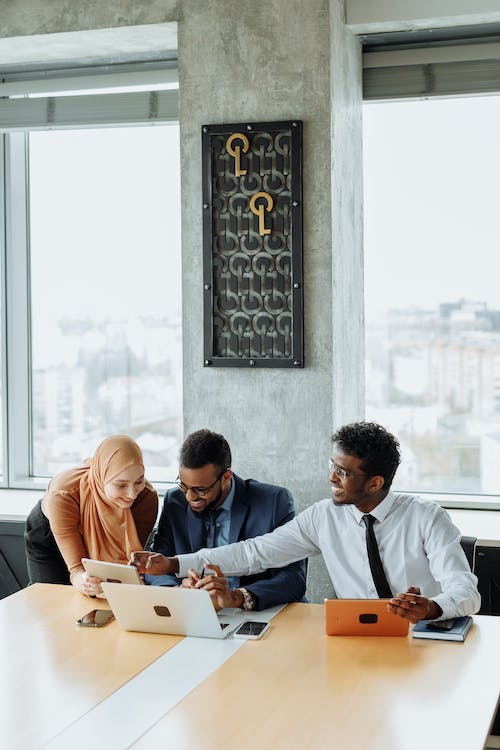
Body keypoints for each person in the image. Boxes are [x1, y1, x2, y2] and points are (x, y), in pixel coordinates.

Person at [132, 422, 480, 622]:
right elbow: (255, 553)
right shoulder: (323, 517)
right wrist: (175, 563)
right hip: (357, 637)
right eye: (332, 465)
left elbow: (467, 592)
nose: (331, 477)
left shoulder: (427, 518)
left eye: (342, 472)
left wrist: (432, 608)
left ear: (375, 483)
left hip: (427, 636)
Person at [145, 428, 307, 611]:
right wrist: (178, 590)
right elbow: (157, 564)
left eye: (200, 489)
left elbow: (294, 579)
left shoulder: (273, 502)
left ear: (226, 477)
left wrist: (237, 597)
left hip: (255, 613)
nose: (189, 497)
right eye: (183, 485)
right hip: (195, 612)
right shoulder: (175, 501)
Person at [25, 435, 158, 597]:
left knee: (102, 596)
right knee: (48, 597)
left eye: (139, 481)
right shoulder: (63, 494)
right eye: (120, 484)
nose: (131, 493)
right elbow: (77, 571)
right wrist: (81, 579)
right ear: (102, 479)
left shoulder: (145, 498)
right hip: (49, 533)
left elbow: (129, 562)